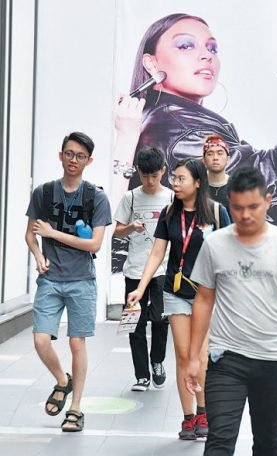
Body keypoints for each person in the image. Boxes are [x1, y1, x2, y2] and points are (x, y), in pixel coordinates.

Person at [184, 166, 277, 456]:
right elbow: (203, 301)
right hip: (225, 358)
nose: (245, 215)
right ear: (229, 204)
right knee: (219, 441)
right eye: (237, 208)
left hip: (271, 359)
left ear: (267, 201)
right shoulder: (215, 244)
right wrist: (193, 357)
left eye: (253, 207)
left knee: (267, 441)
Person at [114, 13, 277, 225]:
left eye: (212, 49)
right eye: (185, 46)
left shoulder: (162, 120)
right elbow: (270, 195)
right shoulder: (181, 131)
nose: (207, 55)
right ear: (151, 64)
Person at [127, 158, 231, 440]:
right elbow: (157, 253)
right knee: (183, 355)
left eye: (181, 178)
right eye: (174, 178)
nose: (175, 183)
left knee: (200, 355)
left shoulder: (217, 213)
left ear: (197, 182)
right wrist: (141, 287)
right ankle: (188, 417)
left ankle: (203, 411)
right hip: (175, 291)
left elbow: (230, 251)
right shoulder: (169, 213)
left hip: (206, 294)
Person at [25, 132, 112, 432]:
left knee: (77, 342)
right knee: (40, 340)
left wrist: (53, 234)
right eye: (69, 154)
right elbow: (30, 235)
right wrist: (38, 255)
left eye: (80, 156)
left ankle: (75, 408)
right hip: (50, 279)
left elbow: (95, 244)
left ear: (89, 161)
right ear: (60, 155)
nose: (74, 160)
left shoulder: (96, 197)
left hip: (81, 280)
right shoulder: (44, 192)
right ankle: (63, 381)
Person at [113, 147, 173, 391]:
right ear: (137, 171)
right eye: (145, 175)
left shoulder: (171, 198)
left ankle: (157, 361)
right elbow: (117, 231)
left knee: (160, 318)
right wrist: (131, 227)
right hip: (134, 270)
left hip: (162, 269)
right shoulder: (130, 197)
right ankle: (141, 375)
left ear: (163, 171)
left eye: (154, 176)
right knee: (134, 324)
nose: (149, 181)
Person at [202, 134, 231, 208]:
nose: (215, 158)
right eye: (210, 154)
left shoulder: (237, 187)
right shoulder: (196, 187)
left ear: (228, 159)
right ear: (203, 160)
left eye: (220, 153)